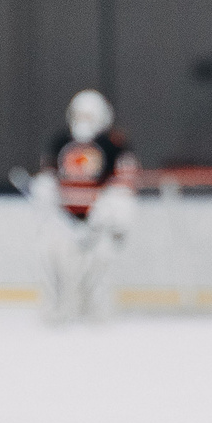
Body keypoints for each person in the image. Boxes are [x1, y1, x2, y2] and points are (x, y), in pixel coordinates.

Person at [26, 88, 138, 322]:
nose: (83, 122)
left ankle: (96, 312)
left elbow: (123, 186)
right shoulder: (60, 142)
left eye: (89, 116)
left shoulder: (115, 145)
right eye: (80, 115)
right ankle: (56, 309)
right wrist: (44, 190)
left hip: (99, 226)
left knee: (101, 260)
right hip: (65, 221)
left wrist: (105, 215)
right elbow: (49, 178)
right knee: (49, 253)